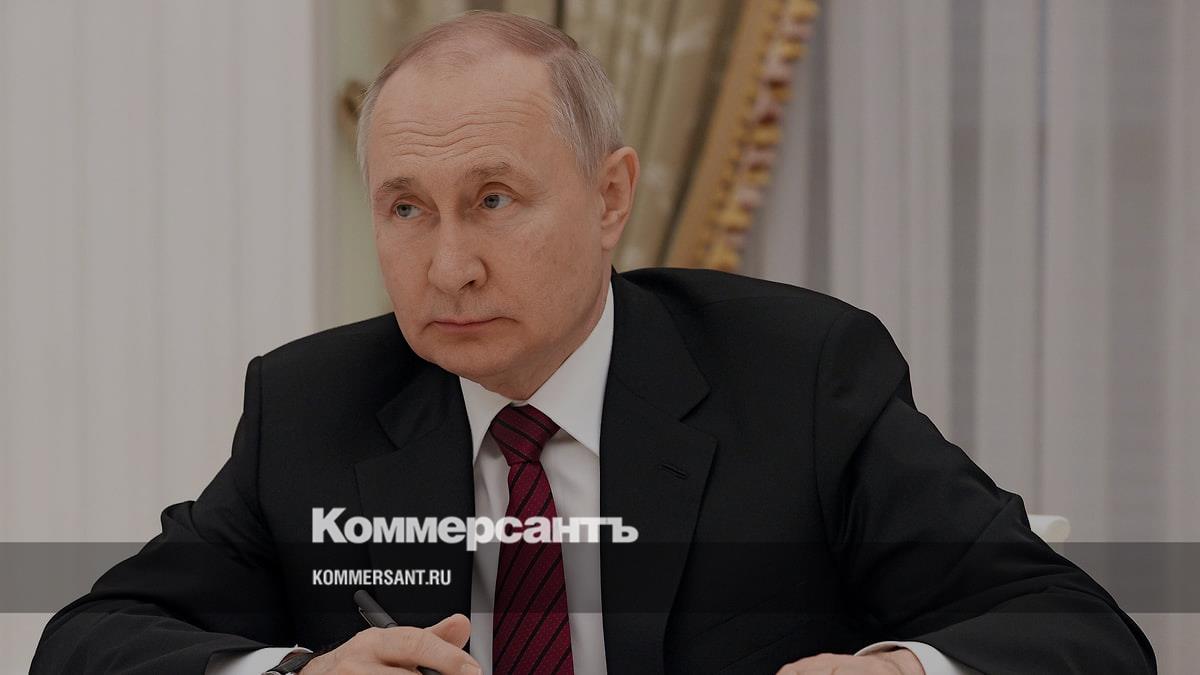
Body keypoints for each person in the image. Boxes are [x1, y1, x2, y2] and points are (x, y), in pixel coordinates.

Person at [32, 10, 1154, 675]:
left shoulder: (800, 378)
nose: (449, 266)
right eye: (406, 208)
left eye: (494, 200)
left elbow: (1078, 633)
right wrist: (296, 671)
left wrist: (904, 668)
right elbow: (91, 640)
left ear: (610, 198)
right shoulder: (311, 406)